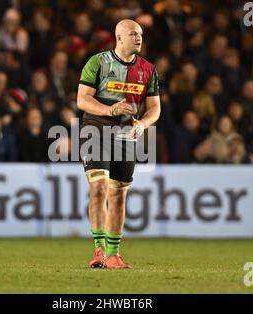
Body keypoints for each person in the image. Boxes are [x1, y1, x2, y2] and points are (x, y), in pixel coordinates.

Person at [77, 19, 160, 268]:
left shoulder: (148, 69)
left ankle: (114, 255)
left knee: (118, 194)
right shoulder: (98, 62)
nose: (139, 38)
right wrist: (110, 109)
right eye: (133, 33)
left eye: (141, 34)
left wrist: (143, 124)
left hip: (126, 133)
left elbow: (155, 108)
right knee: (99, 188)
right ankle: (99, 250)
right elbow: (83, 100)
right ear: (119, 37)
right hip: (96, 127)